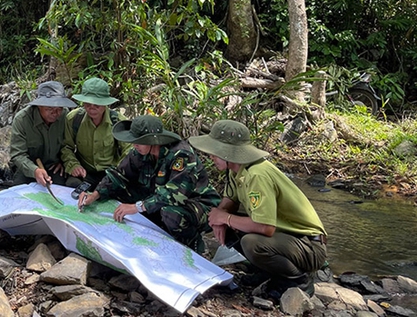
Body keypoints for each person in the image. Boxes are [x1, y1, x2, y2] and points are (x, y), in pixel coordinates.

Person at [188, 120, 327, 296]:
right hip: (288, 238)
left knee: (251, 243)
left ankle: (298, 281)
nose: (211, 157)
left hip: (309, 245)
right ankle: (266, 272)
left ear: (228, 152)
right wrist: (219, 217)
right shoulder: (236, 170)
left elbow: (266, 228)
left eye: (214, 152)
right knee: (229, 225)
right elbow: (230, 199)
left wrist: (224, 218)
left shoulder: (256, 175)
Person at [77, 115, 221, 252]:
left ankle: (192, 243)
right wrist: (95, 195)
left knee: (171, 213)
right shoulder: (140, 152)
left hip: (196, 204)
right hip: (155, 197)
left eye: (138, 142)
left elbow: (174, 195)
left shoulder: (180, 155)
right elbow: (119, 175)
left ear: (153, 140)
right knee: (118, 190)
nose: (134, 145)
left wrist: (137, 207)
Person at [60, 77, 130, 189]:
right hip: (85, 172)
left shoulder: (118, 122)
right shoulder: (74, 119)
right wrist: (73, 165)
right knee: (71, 186)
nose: (91, 107)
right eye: (87, 103)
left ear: (106, 104)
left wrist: (117, 173)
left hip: (110, 172)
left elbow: (129, 150)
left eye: (97, 104)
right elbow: (65, 147)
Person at [10, 81, 78, 187]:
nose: (55, 113)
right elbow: (18, 154)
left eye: (59, 108)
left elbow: (67, 146)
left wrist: (63, 162)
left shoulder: (64, 115)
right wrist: (35, 170)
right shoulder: (22, 120)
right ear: (39, 106)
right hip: (28, 167)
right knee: (19, 191)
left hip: (54, 166)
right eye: (50, 109)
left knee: (62, 189)